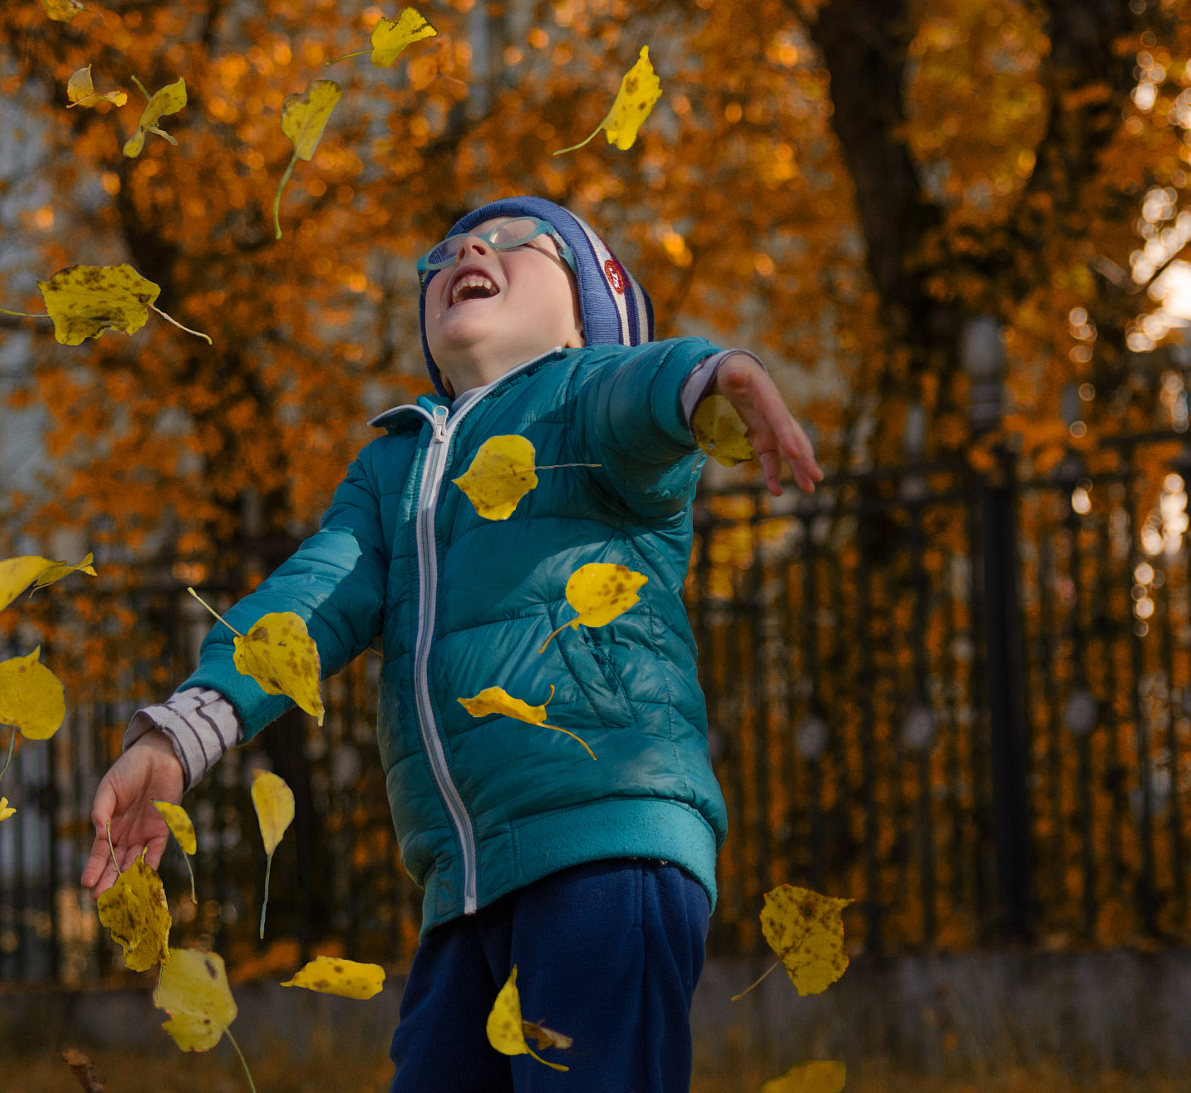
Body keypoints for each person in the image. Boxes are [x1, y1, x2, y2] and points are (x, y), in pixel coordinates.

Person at [80, 196, 820, 1091]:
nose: (472, 246)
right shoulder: (395, 463)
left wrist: (716, 376)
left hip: (605, 839)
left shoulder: (584, 401)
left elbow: (645, 387)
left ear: (592, 308)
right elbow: (310, 601)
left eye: (522, 242)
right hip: (464, 885)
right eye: (452, 248)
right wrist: (180, 734)